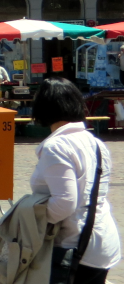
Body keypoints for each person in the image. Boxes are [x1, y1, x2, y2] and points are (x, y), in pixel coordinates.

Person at [29, 78, 120, 284]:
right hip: (101, 242)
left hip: (75, 247)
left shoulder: (56, 147)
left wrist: (29, 218)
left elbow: (64, 203)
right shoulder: (96, 143)